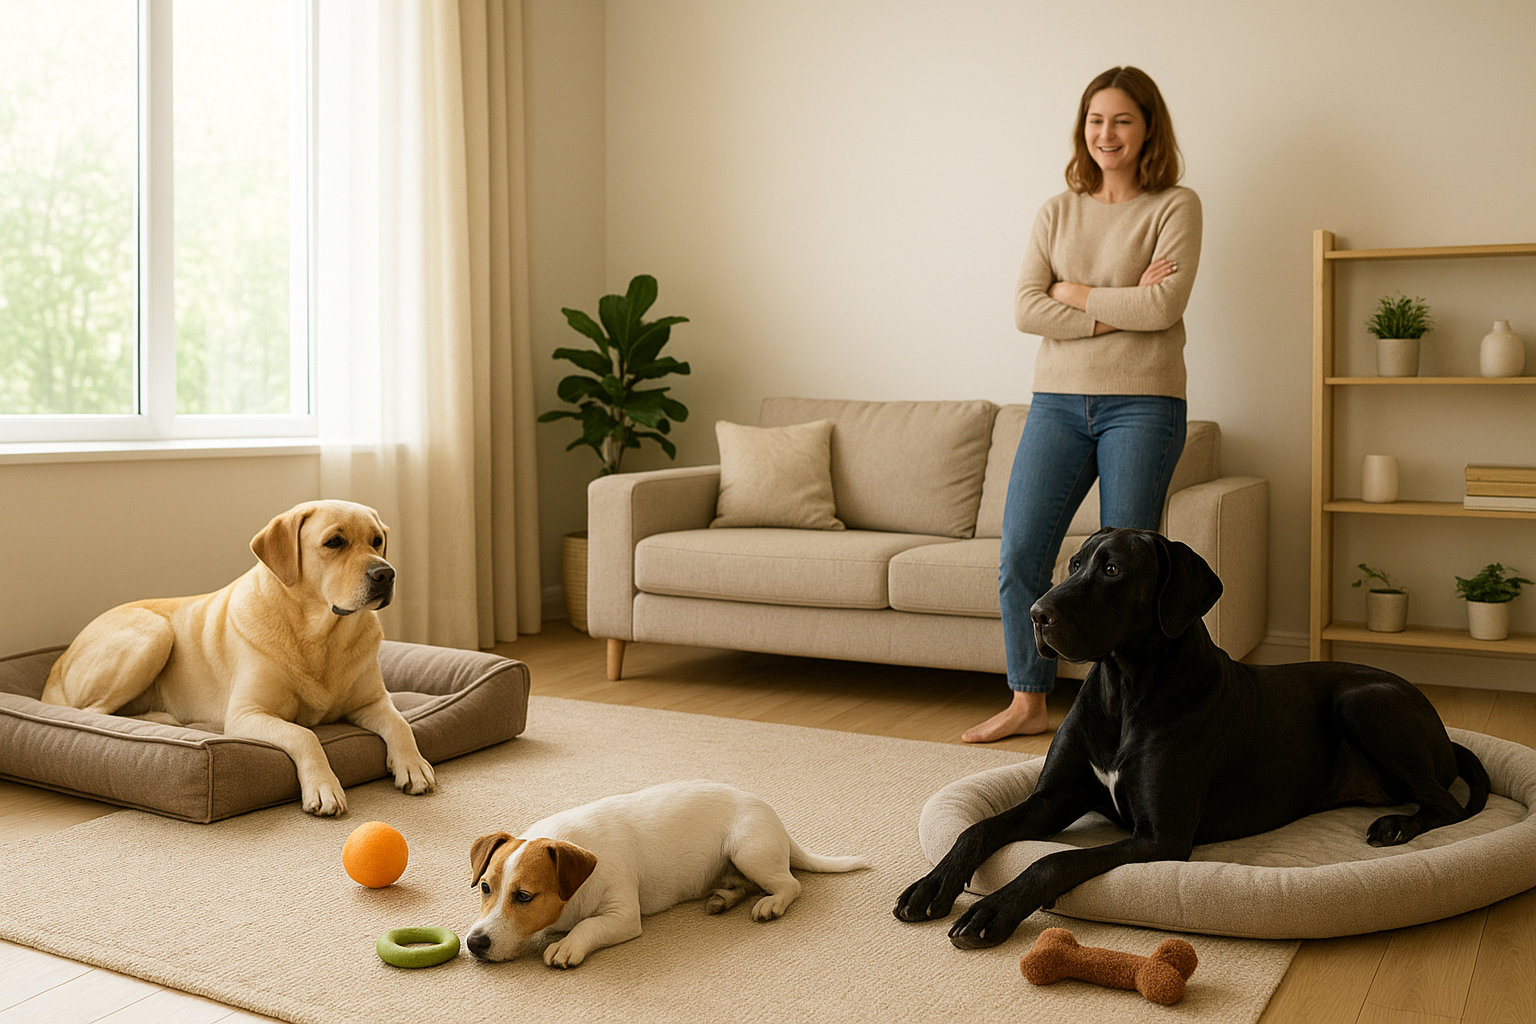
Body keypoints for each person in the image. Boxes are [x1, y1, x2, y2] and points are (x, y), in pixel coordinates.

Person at [962, 66, 1201, 743]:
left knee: (1127, 577)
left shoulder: (1175, 207)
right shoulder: (1056, 210)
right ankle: (1027, 702)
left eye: (1122, 120)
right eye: (1096, 120)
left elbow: (1163, 307)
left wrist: (1072, 293)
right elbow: (1023, 308)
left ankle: (1125, 713)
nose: (1107, 134)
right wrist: (1112, 304)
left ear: (1148, 126)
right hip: (1057, 403)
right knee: (1019, 556)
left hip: (1144, 405)